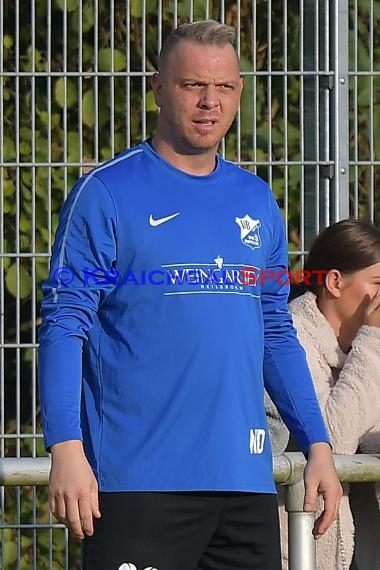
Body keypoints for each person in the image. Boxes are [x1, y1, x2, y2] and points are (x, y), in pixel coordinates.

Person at [38, 20, 342, 570]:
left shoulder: (255, 199)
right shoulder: (105, 194)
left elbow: (275, 329)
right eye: (191, 86)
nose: (209, 103)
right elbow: (64, 326)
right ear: (158, 88)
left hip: (245, 484)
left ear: (240, 93)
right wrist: (65, 445)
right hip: (137, 486)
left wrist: (317, 443)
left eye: (223, 88)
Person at [276, 219, 380, 570]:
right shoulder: (292, 339)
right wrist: (374, 339)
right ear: (335, 282)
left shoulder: (365, 344)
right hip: (301, 548)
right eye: (378, 285)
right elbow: (329, 438)